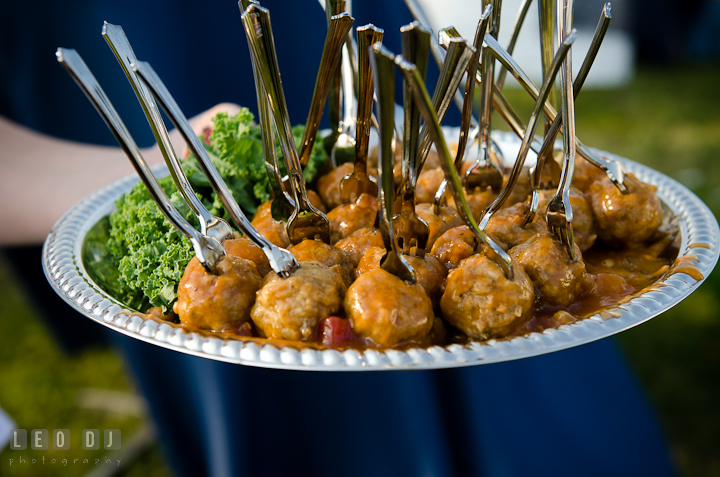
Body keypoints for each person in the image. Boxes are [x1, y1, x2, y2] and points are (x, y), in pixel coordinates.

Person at [0, 0, 677, 475]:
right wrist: (161, 165)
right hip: (97, 44)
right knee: (298, 423)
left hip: (335, 38)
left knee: (532, 402)